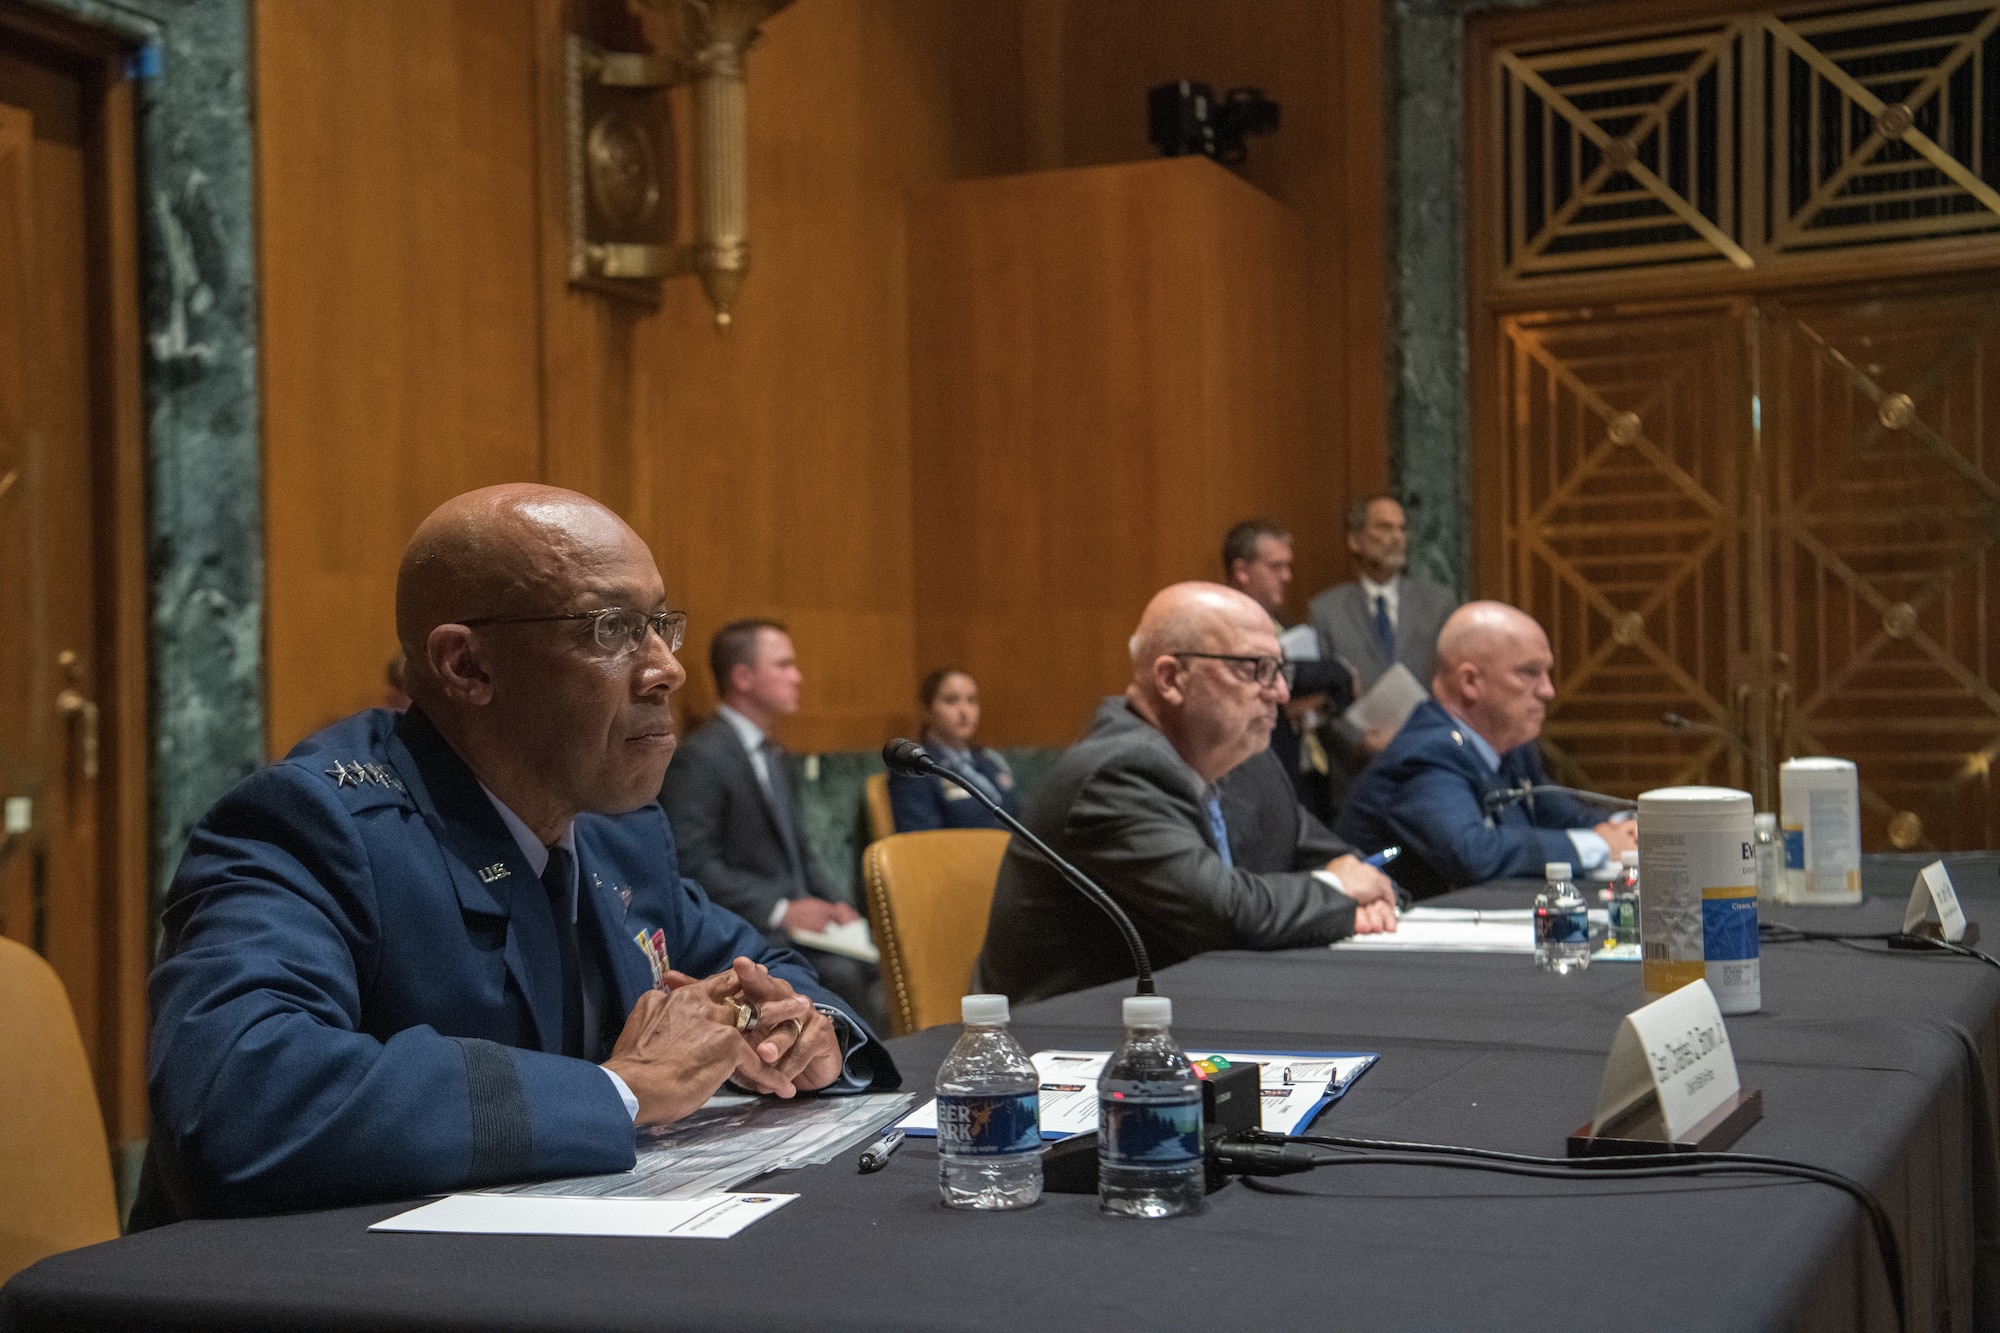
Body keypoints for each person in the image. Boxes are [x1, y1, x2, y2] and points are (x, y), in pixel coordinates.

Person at [137, 485, 896, 1225]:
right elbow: (234, 1096)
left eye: (662, 625)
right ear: (467, 666)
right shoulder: (315, 823)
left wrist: (803, 1030)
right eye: (610, 629)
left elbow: (754, 966)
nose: (667, 668)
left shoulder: (614, 826)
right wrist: (619, 1092)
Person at [976, 583, 1399, 1004]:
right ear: (1171, 678)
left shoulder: (1248, 766)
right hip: (1066, 1043)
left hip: (1198, 1015)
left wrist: (1361, 884)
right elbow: (1226, 916)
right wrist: (1340, 890)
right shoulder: (1116, 775)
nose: (1282, 692)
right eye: (1255, 668)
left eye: (1280, 670)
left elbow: (1343, 862)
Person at [660, 621, 887, 1032]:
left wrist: (836, 903)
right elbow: (691, 864)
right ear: (743, 678)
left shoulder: (776, 755)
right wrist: (781, 909)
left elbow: (802, 852)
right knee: (843, 975)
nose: (797, 677)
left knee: (879, 955)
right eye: (783, 665)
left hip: (806, 932)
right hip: (751, 932)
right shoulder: (701, 758)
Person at [1335, 600, 1638, 898]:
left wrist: (1624, 830)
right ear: (1469, 681)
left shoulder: (1511, 748)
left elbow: (1562, 813)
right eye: (1530, 673)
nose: (1548, 690)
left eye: (1546, 673)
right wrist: (1598, 846)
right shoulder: (1426, 753)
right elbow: (1472, 852)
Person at [1307, 495, 1461, 802]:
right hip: (1359, 772)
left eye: (1402, 529)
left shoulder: (1438, 603)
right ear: (1355, 541)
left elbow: (1457, 680)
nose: (1397, 537)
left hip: (1431, 765)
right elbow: (1318, 700)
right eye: (1384, 528)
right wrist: (1360, 743)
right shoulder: (1326, 610)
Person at [1222, 518, 1355, 822]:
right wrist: (1337, 671)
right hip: (1258, 771)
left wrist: (1321, 698)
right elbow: (1287, 676)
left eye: (1288, 566)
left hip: (1310, 765)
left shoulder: (1287, 626)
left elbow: (1310, 688)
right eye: (1275, 567)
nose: (1287, 576)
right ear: (1242, 570)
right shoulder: (1224, 625)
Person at [888, 667, 1020, 831]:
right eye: (951, 700)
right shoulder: (915, 768)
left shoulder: (990, 760)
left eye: (971, 700)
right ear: (926, 710)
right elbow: (920, 842)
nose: (964, 711)